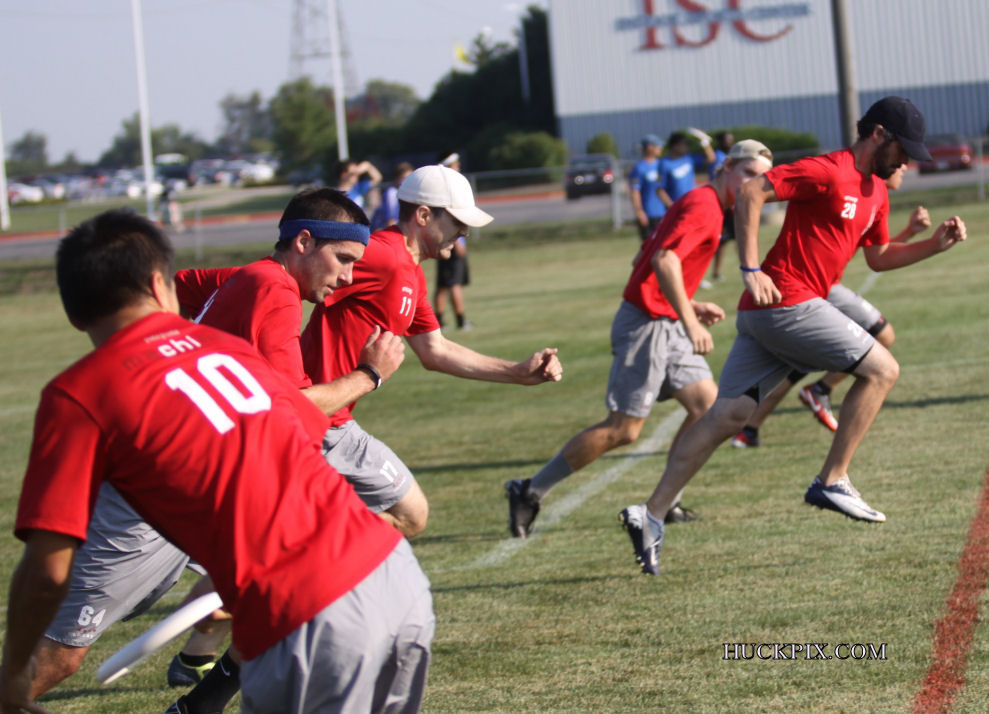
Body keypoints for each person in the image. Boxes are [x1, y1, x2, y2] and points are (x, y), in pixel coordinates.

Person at [0, 210, 434, 714]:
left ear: (76, 316)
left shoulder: (79, 392)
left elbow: (48, 569)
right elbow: (300, 436)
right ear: (160, 286)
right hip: (395, 574)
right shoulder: (229, 349)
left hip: (308, 609)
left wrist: (11, 678)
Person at [617, 97, 967, 576]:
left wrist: (934, 246)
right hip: (785, 302)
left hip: (773, 313)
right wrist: (750, 267)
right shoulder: (828, 169)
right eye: (903, 148)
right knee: (883, 369)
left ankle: (651, 513)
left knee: (727, 415)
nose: (907, 160)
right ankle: (833, 479)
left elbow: (879, 257)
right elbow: (751, 192)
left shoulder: (878, 193)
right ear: (878, 135)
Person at [505, 140, 775, 538]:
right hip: (647, 325)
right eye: (748, 173)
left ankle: (665, 503)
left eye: (762, 179)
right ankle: (529, 490)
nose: (754, 184)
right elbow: (663, 260)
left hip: (664, 318)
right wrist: (690, 321)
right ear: (726, 167)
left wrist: (688, 304)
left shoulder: (705, 203)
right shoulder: (704, 206)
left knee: (708, 408)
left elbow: (643, 259)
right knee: (624, 429)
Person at [302, 165, 563, 528]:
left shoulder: (410, 272)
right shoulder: (383, 256)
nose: (464, 232)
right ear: (424, 216)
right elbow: (291, 273)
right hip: (319, 418)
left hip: (328, 418)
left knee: (407, 516)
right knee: (409, 515)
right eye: (457, 221)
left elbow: (434, 350)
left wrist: (518, 372)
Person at [730, 165, 932, 447]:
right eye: (900, 158)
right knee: (883, 335)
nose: (905, 166)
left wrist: (909, 232)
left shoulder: (872, 195)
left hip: (817, 289)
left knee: (793, 368)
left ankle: (749, 429)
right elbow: (874, 254)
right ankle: (820, 389)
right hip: (815, 290)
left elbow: (874, 250)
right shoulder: (856, 187)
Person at [433, 153, 473, 330]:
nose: (458, 167)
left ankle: (439, 321)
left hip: (447, 242)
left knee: (443, 283)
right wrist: (458, 243)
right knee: (453, 283)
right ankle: (460, 321)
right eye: (455, 165)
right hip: (450, 242)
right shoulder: (448, 190)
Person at [656, 130, 716, 210]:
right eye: (684, 144)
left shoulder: (689, 158)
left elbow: (711, 158)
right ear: (675, 146)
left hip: (691, 203)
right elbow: (660, 189)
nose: (686, 147)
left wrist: (705, 142)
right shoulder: (664, 163)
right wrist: (671, 205)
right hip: (676, 206)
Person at [628, 134, 665, 241]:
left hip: (665, 212)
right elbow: (635, 191)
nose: (660, 148)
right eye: (657, 146)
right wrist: (639, 211)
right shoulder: (639, 168)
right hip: (649, 214)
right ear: (649, 147)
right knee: (650, 246)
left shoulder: (662, 165)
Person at [370, 161, 413, 231]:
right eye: (404, 178)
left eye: (410, 178)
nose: (408, 181)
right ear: (396, 179)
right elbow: (390, 222)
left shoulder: (406, 195)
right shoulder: (392, 193)